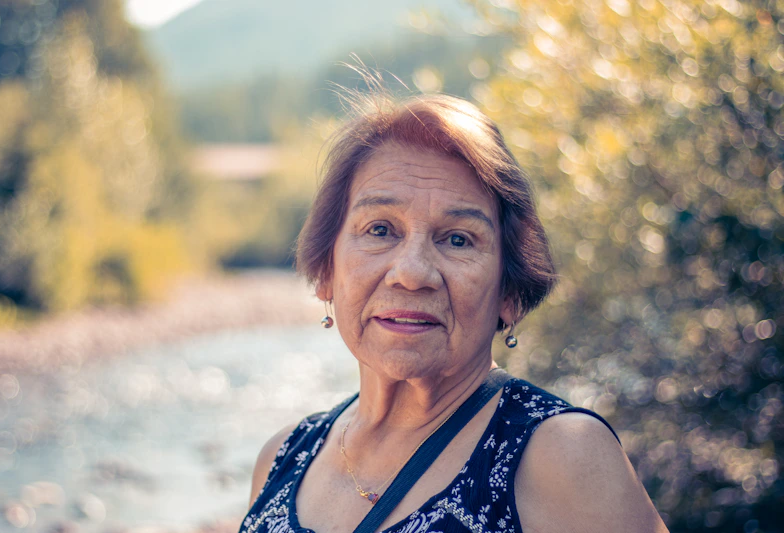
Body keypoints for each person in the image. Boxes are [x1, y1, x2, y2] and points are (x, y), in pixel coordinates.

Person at [240, 89, 669, 533]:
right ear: (327, 270)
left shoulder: (560, 453)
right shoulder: (282, 459)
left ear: (509, 289)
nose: (411, 273)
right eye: (380, 229)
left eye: (458, 239)